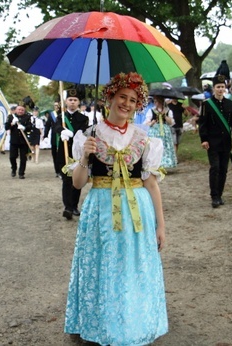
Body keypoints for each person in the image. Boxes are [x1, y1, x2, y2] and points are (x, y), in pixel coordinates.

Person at [64, 72, 168, 345]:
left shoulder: (144, 138)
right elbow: (77, 184)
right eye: (122, 97)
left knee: (133, 265)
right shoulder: (88, 135)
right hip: (100, 207)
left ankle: (132, 321)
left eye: (133, 100)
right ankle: (100, 323)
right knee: (103, 265)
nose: (127, 103)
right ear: (109, 97)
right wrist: (85, 155)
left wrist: (161, 224)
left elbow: (151, 184)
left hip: (137, 209)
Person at [198, 66, 232, 208]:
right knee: (215, 167)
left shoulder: (230, 103)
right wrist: (203, 139)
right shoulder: (207, 104)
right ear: (214, 88)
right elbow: (203, 123)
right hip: (212, 142)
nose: (220, 89)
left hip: (225, 143)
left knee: (223, 169)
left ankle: (220, 194)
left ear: (225, 88)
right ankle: (214, 196)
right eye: (218, 87)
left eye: (222, 86)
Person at [53, 88, 89, 219]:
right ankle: (67, 207)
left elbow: (84, 132)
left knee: (77, 180)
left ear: (79, 102)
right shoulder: (61, 117)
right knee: (67, 180)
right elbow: (56, 127)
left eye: (75, 100)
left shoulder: (83, 118)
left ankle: (74, 205)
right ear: (66, 101)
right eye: (70, 100)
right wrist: (62, 130)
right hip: (64, 152)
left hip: (77, 153)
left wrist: (74, 134)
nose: (72, 102)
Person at [143, 95, 178, 168]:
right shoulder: (151, 110)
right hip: (155, 131)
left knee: (165, 146)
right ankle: (155, 164)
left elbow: (171, 122)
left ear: (161, 101)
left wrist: (165, 116)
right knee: (155, 147)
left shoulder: (168, 111)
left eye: (156, 101)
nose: (155, 103)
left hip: (165, 131)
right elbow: (146, 123)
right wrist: (152, 123)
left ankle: (165, 163)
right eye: (154, 101)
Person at [7, 105, 32, 179]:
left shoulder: (27, 117)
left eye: (22, 110)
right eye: (19, 109)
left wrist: (24, 128)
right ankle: (14, 169)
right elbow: (6, 127)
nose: (20, 111)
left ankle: (21, 173)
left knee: (23, 158)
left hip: (23, 141)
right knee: (12, 157)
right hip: (14, 140)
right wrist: (12, 123)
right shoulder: (11, 117)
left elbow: (30, 127)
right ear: (16, 110)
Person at [43, 102, 61, 178]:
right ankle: (57, 171)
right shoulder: (52, 114)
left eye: (57, 105)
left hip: (62, 135)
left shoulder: (64, 113)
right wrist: (45, 135)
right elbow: (47, 125)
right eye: (54, 106)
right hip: (54, 136)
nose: (56, 107)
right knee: (55, 154)